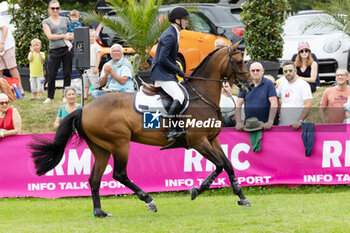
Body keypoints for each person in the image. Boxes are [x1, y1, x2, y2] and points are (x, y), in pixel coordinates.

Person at [151, 6, 190, 141]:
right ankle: (170, 130)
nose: (187, 22)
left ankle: (177, 126)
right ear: (177, 20)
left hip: (166, 72)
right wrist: (178, 70)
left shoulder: (175, 33)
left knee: (184, 92)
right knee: (179, 96)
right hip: (161, 73)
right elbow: (162, 58)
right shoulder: (170, 35)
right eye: (185, 19)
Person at [42, 0, 73, 104]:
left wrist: (70, 41)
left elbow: (71, 33)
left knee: (67, 73)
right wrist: (63, 35)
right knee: (51, 74)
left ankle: (66, 95)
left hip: (66, 48)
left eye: (57, 8)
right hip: (54, 50)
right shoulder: (46, 21)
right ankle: (50, 96)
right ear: (49, 9)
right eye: (53, 8)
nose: (55, 10)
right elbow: (50, 36)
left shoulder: (66, 19)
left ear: (60, 9)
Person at [235, 62, 277, 131]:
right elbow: (238, 104)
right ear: (249, 72)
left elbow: (274, 103)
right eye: (253, 70)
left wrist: (270, 122)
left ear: (262, 71)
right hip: (249, 126)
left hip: (265, 126)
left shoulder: (269, 84)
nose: (255, 72)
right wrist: (238, 122)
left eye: (257, 70)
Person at [277, 60, 313, 130]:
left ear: (295, 71)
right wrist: (279, 115)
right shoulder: (281, 84)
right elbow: (277, 98)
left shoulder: (303, 85)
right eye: (285, 71)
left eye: (290, 70)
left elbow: (308, 105)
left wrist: (300, 121)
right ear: (283, 72)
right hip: (283, 124)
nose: (288, 73)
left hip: (297, 126)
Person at [0, 16, 24, 95]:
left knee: (12, 67)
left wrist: (2, 43)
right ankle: (3, 91)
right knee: (0, 69)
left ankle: (20, 89)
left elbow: (5, 28)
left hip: (7, 45)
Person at [83, 29, 101, 100]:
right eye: (89, 36)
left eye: (93, 36)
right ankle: (85, 95)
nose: (91, 38)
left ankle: (96, 95)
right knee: (85, 82)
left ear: (96, 37)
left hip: (93, 66)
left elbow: (98, 57)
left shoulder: (96, 46)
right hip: (85, 67)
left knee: (95, 82)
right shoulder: (86, 46)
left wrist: (96, 67)